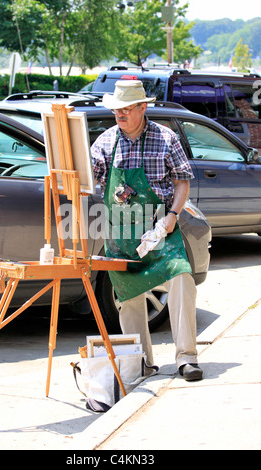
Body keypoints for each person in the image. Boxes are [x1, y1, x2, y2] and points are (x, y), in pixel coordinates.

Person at [91, 80, 203, 381]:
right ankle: (140, 362)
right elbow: (86, 181)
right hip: (122, 235)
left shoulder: (166, 138)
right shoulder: (104, 142)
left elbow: (182, 181)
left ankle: (186, 358)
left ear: (143, 107)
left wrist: (172, 216)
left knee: (182, 279)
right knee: (129, 299)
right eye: (117, 109)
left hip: (160, 228)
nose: (120, 114)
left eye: (127, 108)